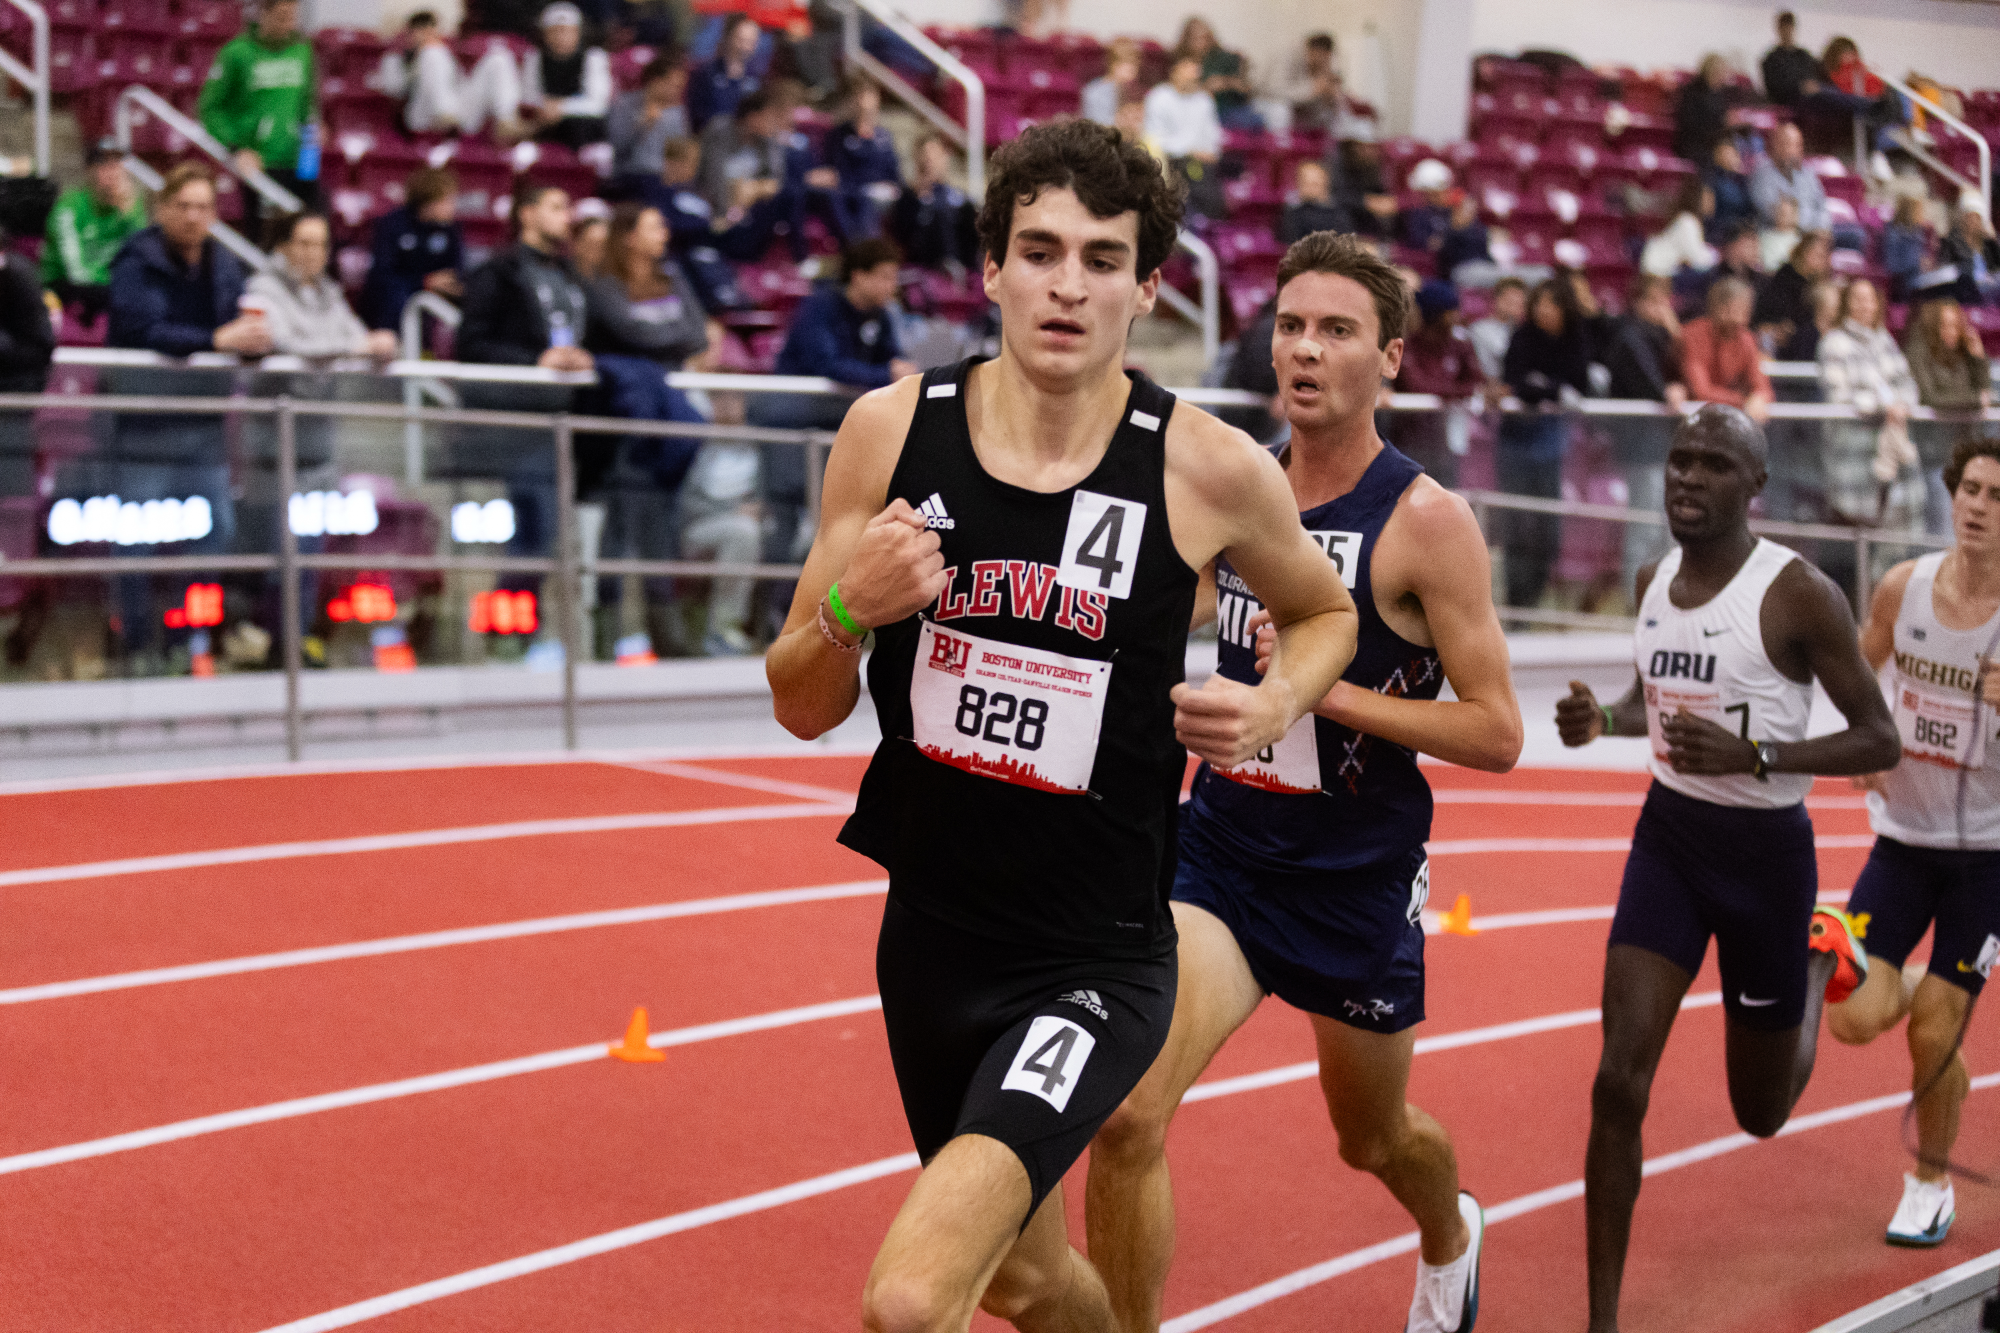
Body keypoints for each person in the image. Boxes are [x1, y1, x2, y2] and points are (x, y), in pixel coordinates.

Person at [763, 115, 1357, 1333]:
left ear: (1146, 287)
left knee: (913, 1296)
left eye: (1100, 258)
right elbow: (799, 704)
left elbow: (1323, 612)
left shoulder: (1204, 467)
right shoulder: (890, 432)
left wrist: (1274, 702)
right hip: (928, 943)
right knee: (1030, 1282)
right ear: (990, 268)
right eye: (1038, 251)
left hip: (1093, 959)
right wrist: (844, 608)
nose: (1065, 285)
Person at [1088, 227, 1521, 1333]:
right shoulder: (1241, 488)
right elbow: (1154, 616)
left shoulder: (1424, 521)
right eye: (1289, 326)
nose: (1306, 350)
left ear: (1389, 359)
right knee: (1128, 1112)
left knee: (1369, 1139)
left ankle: (1447, 1231)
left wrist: (1311, 690)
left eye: (1336, 330)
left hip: (1356, 877)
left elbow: (1494, 731)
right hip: (1222, 857)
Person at [1555, 402, 1900, 1333]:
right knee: (1617, 1080)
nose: (1687, 479)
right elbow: (1650, 704)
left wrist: (1757, 760)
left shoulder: (1797, 593)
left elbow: (1880, 735)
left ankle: (1818, 961)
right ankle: (1602, 1322)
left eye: (1713, 465)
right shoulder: (1651, 577)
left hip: (1766, 859)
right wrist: (1607, 721)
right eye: (1678, 461)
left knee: (1759, 1114)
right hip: (1669, 841)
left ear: (1755, 486)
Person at [1828, 435, 2000, 1247]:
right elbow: (1861, 669)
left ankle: (1928, 1184)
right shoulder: (1906, 586)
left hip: (1988, 859)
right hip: (1902, 841)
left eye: (1996, 495)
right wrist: (1864, 742)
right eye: (1970, 487)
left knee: (1932, 1032)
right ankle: (1936, 983)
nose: (1977, 505)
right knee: (1851, 1016)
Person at [104, 165, 271, 657]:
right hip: (144, 426)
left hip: (204, 425)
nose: (194, 217)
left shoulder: (224, 263)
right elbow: (143, 328)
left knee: (215, 533)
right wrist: (217, 340)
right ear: (161, 209)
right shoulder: (135, 259)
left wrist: (253, 340)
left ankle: (185, 639)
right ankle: (132, 643)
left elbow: (236, 322)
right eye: (184, 206)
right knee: (134, 540)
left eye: (203, 207)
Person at [457, 182, 594, 599]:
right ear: (527, 214)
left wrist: (587, 358)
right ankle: (509, 629)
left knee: (548, 532)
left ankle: (518, 629)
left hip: (565, 420)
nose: (566, 217)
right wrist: (534, 364)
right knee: (536, 528)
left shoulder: (571, 275)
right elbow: (472, 346)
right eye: (555, 206)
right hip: (515, 423)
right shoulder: (496, 273)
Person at [1499, 278, 1598, 609]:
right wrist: (1553, 389)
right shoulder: (1523, 337)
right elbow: (1515, 382)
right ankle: (1516, 604)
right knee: (1518, 527)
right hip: (1515, 443)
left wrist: (1542, 385)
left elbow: (1579, 381)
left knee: (1546, 529)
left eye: (1550, 303)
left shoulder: (1575, 339)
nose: (1543, 309)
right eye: (1538, 302)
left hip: (1552, 446)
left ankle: (1535, 601)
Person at [199, 0, 318, 238]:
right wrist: (236, 148)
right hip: (256, 165)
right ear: (263, 14)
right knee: (260, 240)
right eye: (282, 16)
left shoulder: (303, 51)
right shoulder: (236, 53)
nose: (289, 24)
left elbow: (308, 105)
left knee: (302, 233)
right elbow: (210, 108)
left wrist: (312, 146)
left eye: (293, 16)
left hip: (298, 162)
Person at [1602, 273, 1689, 587]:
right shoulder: (1631, 336)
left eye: (1664, 300)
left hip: (1663, 444)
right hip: (1641, 446)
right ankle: (1635, 598)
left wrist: (1675, 333)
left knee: (1667, 527)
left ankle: (1663, 596)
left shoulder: (1663, 337)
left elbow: (1685, 372)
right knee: (1645, 524)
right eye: (1653, 301)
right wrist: (1670, 390)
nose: (1661, 307)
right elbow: (1657, 387)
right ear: (1637, 303)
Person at [1819, 278, 1923, 532]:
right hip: (1854, 452)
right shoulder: (1833, 343)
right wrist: (1883, 406)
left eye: (1870, 298)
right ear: (1847, 304)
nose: (1865, 305)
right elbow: (1840, 395)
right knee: (1857, 527)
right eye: (1857, 298)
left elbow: (1907, 384)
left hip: (1891, 445)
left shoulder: (1885, 340)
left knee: (1897, 523)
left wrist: (1901, 404)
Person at [248, 212, 398, 360]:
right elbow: (283, 345)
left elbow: (358, 335)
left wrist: (374, 344)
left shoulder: (329, 290)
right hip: (283, 383)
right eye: (305, 244)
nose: (314, 253)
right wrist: (354, 348)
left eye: (321, 245)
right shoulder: (263, 288)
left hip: (328, 383)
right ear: (282, 246)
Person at [583, 201, 708, 367]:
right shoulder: (605, 284)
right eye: (654, 229)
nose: (664, 235)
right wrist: (680, 337)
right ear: (630, 237)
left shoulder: (672, 275)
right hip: (633, 379)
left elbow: (698, 333)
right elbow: (632, 335)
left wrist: (667, 339)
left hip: (677, 375)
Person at [1393, 278, 1487, 486]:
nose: (1457, 316)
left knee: (1446, 497)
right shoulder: (1408, 346)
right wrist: (1457, 391)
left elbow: (1478, 383)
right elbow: (1417, 387)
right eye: (1451, 311)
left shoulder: (1461, 345)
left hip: (1445, 443)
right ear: (1436, 314)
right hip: (1408, 441)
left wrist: (1454, 391)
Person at [374, 10, 523, 138]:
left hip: (458, 113)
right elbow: (392, 89)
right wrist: (414, 67)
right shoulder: (395, 57)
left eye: (430, 31)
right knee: (432, 52)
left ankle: (506, 119)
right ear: (410, 33)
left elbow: (457, 84)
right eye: (420, 32)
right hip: (424, 115)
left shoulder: (446, 53)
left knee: (499, 57)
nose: (426, 36)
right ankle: (445, 114)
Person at [42, 142, 146, 323]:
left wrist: (128, 217)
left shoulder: (130, 209)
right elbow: (75, 271)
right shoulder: (69, 207)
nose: (113, 172)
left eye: (118, 164)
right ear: (89, 170)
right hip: (62, 287)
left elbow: (141, 260)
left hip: (106, 289)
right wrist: (119, 284)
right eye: (105, 164)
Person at [361, 166, 465, 332]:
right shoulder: (392, 224)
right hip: (397, 300)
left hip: (438, 299)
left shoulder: (451, 229)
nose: (452, 206)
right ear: (429, 201)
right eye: (447, 200)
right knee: (397, 297)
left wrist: (448, 283)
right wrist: (423, 282)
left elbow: (457, 269)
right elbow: (382, 274)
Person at [521, 3, 613, 150]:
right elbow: (528, 96)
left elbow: (598, 104)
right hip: (545, 122)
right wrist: (545, 108)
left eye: (566, 31)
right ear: (544, 35)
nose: (560, 37)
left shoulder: (594, 57)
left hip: (582, 126)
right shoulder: (535, 58)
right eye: (554, 32)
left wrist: (562, 107)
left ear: (578, 33)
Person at [1682, 277, 1774, 420]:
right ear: (1719, 306)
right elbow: (1700, 391)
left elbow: (1762, 387)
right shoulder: (1693, 334)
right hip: (1689, 419)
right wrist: (1742, 400)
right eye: (1741, 304)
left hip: (1728, 421)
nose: (1747, 309)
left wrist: (1758, 398)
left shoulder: (1746, 338)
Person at [824, 77, 902, 244]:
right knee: (863, 201)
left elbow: (893, 169)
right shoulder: (840, 135)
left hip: (884, 191)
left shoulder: (884, 136)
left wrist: (895, 185)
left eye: (869, 97)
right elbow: (839, 171)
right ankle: (860, 247)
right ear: (852, 102)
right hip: (855, 191)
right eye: (859, 97)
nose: (864, 104)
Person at [1144, 57, 1224, 219]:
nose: (1192, 76)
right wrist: (1188, 150)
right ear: (1175, 71)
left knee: (1214, 202)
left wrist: (1209, 152)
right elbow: (1154, 137)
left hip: (1202, 164)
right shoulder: (1159, 97)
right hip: (1171, 162)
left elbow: (1213, 137)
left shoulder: (1204, 100)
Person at [887, 133, 978, 273]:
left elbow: (972, 240)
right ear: (917, 162)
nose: (929, 163)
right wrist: (920, 199)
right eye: (925, 159)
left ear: (944, 159)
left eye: (934, 157)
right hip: (921, 267)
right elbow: (902, 236)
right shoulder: (906, 200)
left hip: (959, 266)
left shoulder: (959, 199)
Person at [1753, 229, 1834, 361]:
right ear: (1802, 252)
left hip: (1806, 338)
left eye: (1823, 256)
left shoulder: (1822, 286)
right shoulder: (1781, 280)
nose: (1820, 260)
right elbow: (1763, 319)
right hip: (1775, 338)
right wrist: (1777, 328)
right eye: (1815, 254)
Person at [607, 55, 690, 186]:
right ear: (656, 81)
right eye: (675, 86)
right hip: (630, 175)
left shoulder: (677, 113)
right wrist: (641, 124)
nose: (678, 92)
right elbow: (617, 146)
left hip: (665, 181)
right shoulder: (624, 104)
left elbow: (680, 155)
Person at [1175, 17, 1260, 133]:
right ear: (1187, 40)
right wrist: (1205, 87)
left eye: (1205, 37)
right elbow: (1176, 91)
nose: (1202, 43)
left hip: (1229, 107)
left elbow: (1246, 89)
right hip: (1193, 109)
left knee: (1254, 119)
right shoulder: (1180, 61)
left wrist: (1227, 82)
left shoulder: (1226, 58)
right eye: (1196, 39)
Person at [687, 12, 763, 132]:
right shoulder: (706, 72)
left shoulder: (756, 76)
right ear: (728, 37)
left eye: (751, 42)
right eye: (741, 40)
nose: (745, 47)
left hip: (741, 141)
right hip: (709, 139)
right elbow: (694, 112)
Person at [1750, 123, 1831, 235]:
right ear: (1775, 145)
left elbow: (1822, 207)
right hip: (1779, 234)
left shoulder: (1808, 173)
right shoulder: (1762, 173)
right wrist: (1809, 228)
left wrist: (1821, 228)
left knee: (1854, 235)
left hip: (1814, 234)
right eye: (1788, 144)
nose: (1793, 151)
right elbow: (1773, 214)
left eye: (1797, 145)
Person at [1639, 179, 1717, 280]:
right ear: (1696, 199)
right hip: (1658, 272)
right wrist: (1716, 257)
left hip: (1668, 271)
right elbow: (1696, 258)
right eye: (1707, 198)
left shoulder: (1690, 220)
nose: (1711, 202)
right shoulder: (1687, 221)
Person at [1672, 55, 1742, 165]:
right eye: (1720, 73)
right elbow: (1690, 124)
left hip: (1713, 143)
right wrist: (1722, 121)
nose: (1722, 77)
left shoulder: (1719, 94)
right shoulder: (1691, 93)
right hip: (1695, 145)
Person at [1275, 32, 1342, 136]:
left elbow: (1326, 113)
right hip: (1277, 105)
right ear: (1310, 51)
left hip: (1307, 118)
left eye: (1326, 57)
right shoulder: (1291, 60)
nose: (1322, 60)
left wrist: (1330, 98)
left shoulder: (1325, 72)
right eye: (1318, 55)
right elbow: (1279, 94)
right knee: (1279, 110)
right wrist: (1313, 88)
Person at [1939, 202, 2000, 309]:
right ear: (1964, 219)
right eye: (1970, 217)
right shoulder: (1953, 240)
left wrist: (1994, 239)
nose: (1973, 221)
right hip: (1967, 280)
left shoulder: (1985, 241)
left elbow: (1997, 262)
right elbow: (1947, 264)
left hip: (1988, 279)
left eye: (1976, 218)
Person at [1760, 10, 1824, 109]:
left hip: (1811, 97)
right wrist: (1800, 87)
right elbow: (1774, 89)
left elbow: (1815, 75)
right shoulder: (1771, 60)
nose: (1787, 31)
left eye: (1789, 27)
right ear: (1779, 29)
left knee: (1831, 95)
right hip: (1789, 102)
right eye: (1784, 27)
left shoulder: (1804, 55)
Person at [1279, 159, 1351, 246]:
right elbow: (1290, 242)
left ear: (1326, 184)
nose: (1310, 188)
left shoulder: (1338, 213)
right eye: (1306, 183)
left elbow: (1346, 241)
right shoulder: (1291, 212)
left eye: (1315, 184)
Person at [1468, 276, 1525, 381]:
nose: (1514, 307)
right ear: (1496, 299)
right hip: (1488, 382)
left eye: (1518, 303)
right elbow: (1502, 353)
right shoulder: (1480, 328)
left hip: (1512, 384)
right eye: (1509, 301)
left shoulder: (1522, 330)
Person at [1703, 140, 1755, 244]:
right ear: (1716, 157)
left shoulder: (1744, 181)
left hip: (1742, 232)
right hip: (1718, 232)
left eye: (1731, 154)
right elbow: (1707, 213)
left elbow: (1751, 211)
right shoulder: (1710, 180)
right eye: (1723, 154)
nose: (1728, 158)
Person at [1081, 38, 1140, 128]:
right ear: (1114, 65)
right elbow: (1097, 128)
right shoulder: (1095, 92)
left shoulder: (1123, 88)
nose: (1135, 68)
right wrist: (1124, 121)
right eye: (1131, 63)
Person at [1400, 159, 1456, 253]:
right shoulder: (1416, 214)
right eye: (1435, 193)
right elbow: (1416, 239)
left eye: (1444, 191)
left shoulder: (1452, 211)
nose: (1443, 195)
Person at [1760, 195, 1803, 276]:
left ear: (1795, 215)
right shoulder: (1762, 236)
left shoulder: (1801, 240)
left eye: (1784, 213)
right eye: (1778, 211)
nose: (1780, 215)